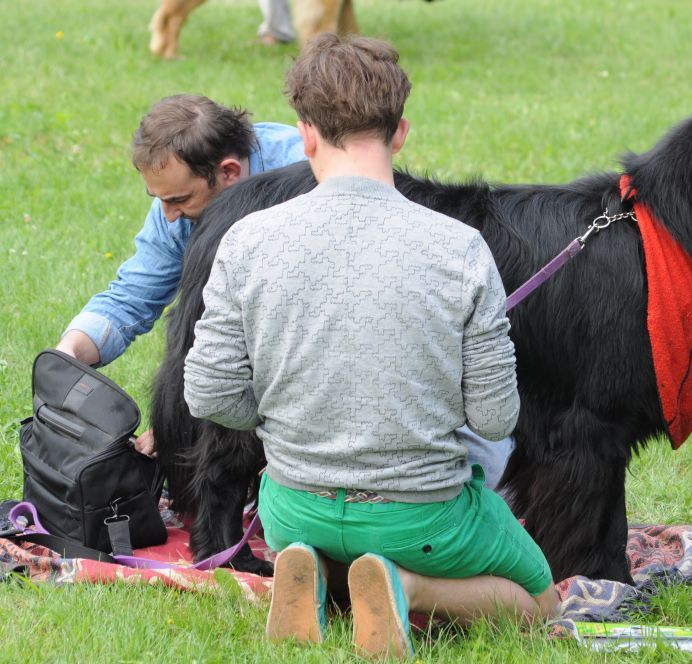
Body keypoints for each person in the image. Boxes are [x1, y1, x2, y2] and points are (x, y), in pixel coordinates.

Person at [183, 34, 559, 658]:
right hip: (423, 520)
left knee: (327, 532)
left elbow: (208, 391)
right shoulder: (460, 248)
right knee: (541, 604)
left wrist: (278, 416)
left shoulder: (247, 239)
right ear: (400, 131)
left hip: (293, 511)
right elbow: (497, 417)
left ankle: (321, 573)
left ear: (306, 133)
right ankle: (404, 582)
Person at [54, 95, 305, 453]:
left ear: (229, 172)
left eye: (179, 200)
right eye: (160, 200)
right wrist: (71, 351)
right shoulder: (176, 209)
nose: (169, 215)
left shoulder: (306, 174)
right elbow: (133, 294)